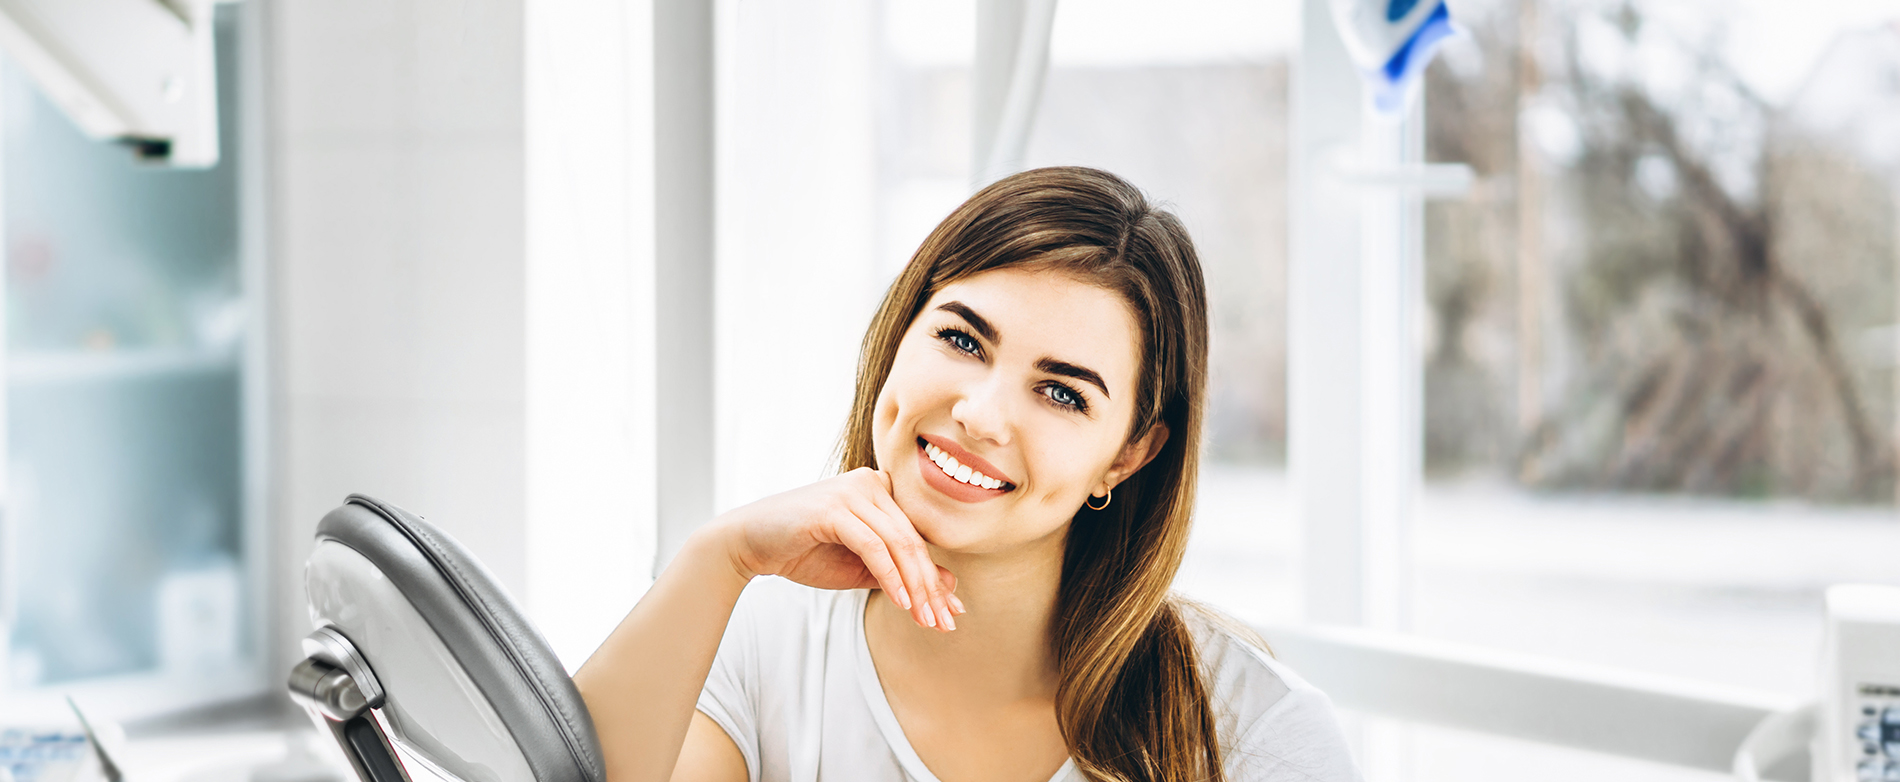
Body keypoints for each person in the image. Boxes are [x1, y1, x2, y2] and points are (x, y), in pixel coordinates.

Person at [574, 167, 1360, 782]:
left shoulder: (1250, 730)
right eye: (962, 341)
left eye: (1061, 393)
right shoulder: (761, 642)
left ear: (1128, 454)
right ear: (901, 331)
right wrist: (721, 557)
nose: (983, 415)